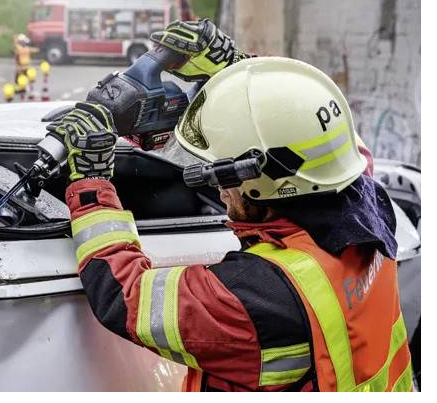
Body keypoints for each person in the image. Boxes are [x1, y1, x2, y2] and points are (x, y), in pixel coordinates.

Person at [46, 19, 413, 392]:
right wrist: (235, 70)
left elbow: (126, 296)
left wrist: (90, 180)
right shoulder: (371, 204)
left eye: (223, 177)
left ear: (260, 183)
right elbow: (311, 133)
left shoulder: (252, 296)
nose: (220, 191)